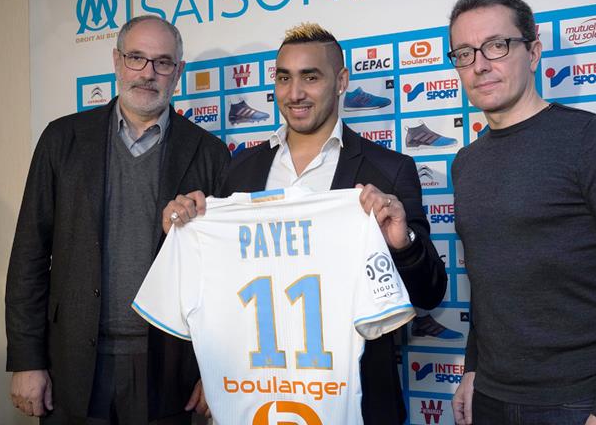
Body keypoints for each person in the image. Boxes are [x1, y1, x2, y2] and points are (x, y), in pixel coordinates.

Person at [163, 22, 447, 424]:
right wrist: (184, 227)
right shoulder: (241, 169)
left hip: (356, 399)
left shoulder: (390, 170)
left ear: (341, 81)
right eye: (283, 78)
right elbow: (221, 288)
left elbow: (430, 292)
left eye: (310, 77)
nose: (294, 93)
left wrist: (403, 242)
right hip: (256, 396)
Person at [6, 15, 230, 423]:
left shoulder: (209, 152)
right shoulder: (63, 140)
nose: (148, 73)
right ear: (116, 62)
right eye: (136, 59)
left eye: (163, 62)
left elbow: (224, 279)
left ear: (178, 73)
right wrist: (26, 359)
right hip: (72, 363)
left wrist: (214, 373)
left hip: (167, 369)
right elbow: (28, 257)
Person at [448, 0, 596, 425]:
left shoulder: (590, 140)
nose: (480, 64)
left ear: (532, 51)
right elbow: (488, 278)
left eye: (497, 45)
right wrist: (473, 367)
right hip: (490, 398)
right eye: (463, 53)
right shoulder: (466, 162)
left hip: (579, 401)